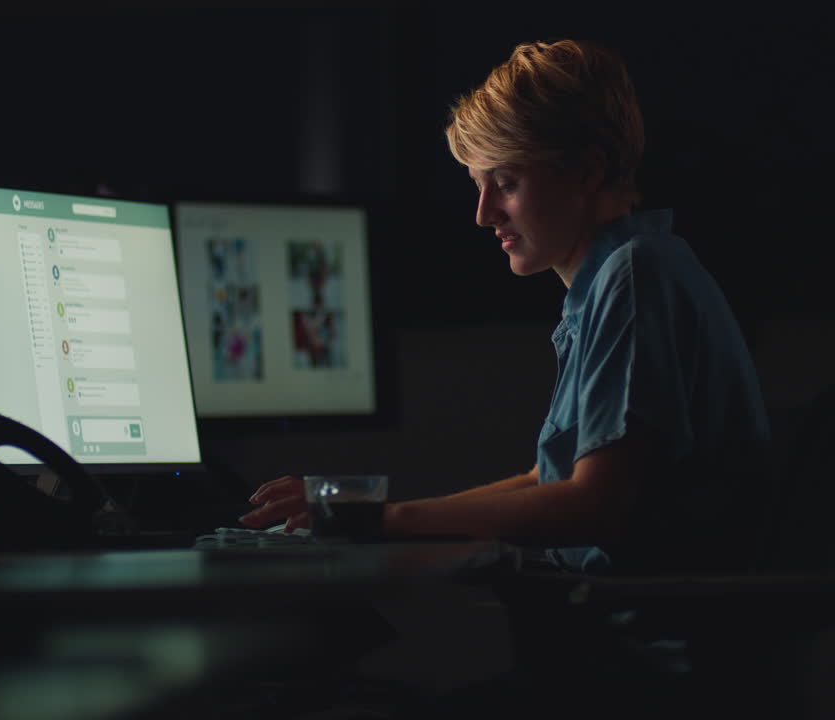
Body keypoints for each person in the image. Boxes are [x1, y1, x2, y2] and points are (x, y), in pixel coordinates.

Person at [240, 38, 772, 577]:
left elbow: (594, 503)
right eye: (478, 186)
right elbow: (554, 478)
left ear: (588, 170)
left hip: (635, 642)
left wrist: (378, 520)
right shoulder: (613, 282)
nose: (483, 214)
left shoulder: (636, 276)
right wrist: (368, 514)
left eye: (506, 184)